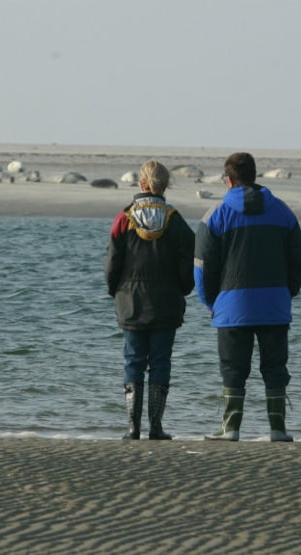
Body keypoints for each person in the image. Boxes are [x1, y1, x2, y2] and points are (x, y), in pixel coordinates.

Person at [194, 152, 301, 441]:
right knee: (275, 368)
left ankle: (230, 428)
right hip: (274, 304)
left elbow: (202, 267)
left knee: (233, 369)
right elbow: (300, 263)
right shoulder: (283, 212)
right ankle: (278, 429)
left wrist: (211, 302)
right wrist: (287, 293)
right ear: (255, 175)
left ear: (229, 179)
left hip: (231, 307)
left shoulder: (216, 214)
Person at [105, 159, 195, 440]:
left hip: (130, 301)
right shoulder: (175, 220)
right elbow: (186, 264)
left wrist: (116, 292)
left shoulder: (124, 217)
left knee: (133, 360)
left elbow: (112, 264)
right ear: (164, 185)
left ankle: (133, 428)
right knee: (161, 361)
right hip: (166, 301)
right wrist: (184, 288)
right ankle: (156, 427)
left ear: (141, 184)